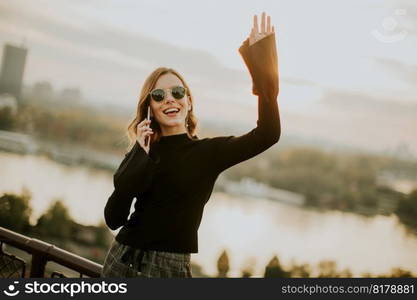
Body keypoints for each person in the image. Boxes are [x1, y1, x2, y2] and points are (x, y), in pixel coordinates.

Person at [101, 12, 281, 278]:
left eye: (178, 92)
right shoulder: (143, 151)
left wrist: (263, 66)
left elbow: (268, 133)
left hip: (167, 268)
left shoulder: (208, 153)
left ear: (188, 101)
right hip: (121, 259)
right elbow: (114, 218)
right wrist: (140, 151)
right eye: (159, 95)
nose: (170, 100)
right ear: (149, 107)